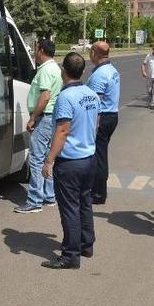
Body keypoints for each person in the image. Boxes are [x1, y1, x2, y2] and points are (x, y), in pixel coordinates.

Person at [40, 52, 100, 270]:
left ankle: (70, 255)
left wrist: (49, 160)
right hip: (88, 158)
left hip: (71, 162)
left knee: (70, 208)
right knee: (84, 203)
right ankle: (86, 244)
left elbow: (62, 130)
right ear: (82, 71)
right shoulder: (91, 94)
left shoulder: (66, 97)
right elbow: (96, 123)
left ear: (64, 71)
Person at [15, 39, 63, 213]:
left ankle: (34, 200)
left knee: (36, 159)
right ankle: (49, 196)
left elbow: (44, 96)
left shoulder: (45, 71)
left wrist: (33, 117)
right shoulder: (55, 68)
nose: (35, 53)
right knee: (48, 158)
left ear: (41, 50)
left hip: (43, 118)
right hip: (52, 118)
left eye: (36, 50)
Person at [86, 41, 120, 205]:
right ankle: (99, 189)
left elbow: (94, 103)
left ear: (94, 53)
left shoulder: (100, 74)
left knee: (98, 156)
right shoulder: (111, 70)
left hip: (103, 118)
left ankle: (98, 193)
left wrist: (92, 126)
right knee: (101, 154)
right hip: (111, 115)